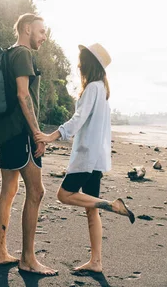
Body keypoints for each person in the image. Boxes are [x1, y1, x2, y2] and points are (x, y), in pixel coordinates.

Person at [34, 43, 135, 275]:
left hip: (87, 157)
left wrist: (52, 136)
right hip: (97, 158)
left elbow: (78, 119)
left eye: (82, 60)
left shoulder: (92, 89)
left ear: (90, 63)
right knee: (91, 209)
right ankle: (96, 261)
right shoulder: (102, 91)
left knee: (63, 195)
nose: (78, 64)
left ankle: (112, 205)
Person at [0, 13, 58, 276]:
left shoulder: (9, 54)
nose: (43, 37)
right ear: (27, 29)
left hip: (6, 132)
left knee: (8, 190)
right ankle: (28, 258)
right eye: (41, 32)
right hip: (21, 134)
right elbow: (23, 95)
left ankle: (0, 252)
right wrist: (37, 133)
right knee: (37, 191)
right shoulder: (23, 55)